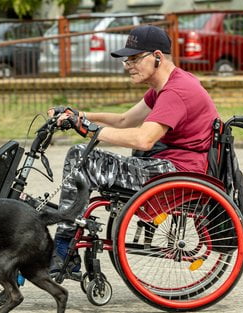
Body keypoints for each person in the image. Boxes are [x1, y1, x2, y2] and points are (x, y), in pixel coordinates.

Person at [49, 25, 219, 273]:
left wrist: (88, 130)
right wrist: (80, 115)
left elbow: (143, 139)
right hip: (172, 165)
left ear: (157, 56)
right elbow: (124, 121)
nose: (128, 65)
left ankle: (63, 250)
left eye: (134, 58)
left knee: (80, 156)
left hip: (176, 173)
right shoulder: (165, 86)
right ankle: (67, 243)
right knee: (83, 159)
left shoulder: (176, 92)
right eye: (126, 60)